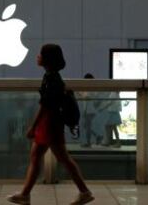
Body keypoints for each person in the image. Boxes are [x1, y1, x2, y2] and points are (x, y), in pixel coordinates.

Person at [7, 44, 94, 205]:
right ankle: (26, 194)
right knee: (46, 156)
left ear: (47, 59)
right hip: (52, 123)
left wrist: (33, 126)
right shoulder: (52, 77)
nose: (37, 56)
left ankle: (84, 192)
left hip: (50, 124)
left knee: (56, 157)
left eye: (40, 54)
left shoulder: (52, 79)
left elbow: (45, 105)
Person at [80, 73, 103, 147]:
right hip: (87, 110)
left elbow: (88, 96)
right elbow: (84, 95)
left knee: (87, 127)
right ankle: (97, 136)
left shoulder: (92, 88)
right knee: (86, 126)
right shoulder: (87, 88)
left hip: (90, 111)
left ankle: (89, 142)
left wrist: (83, 94)